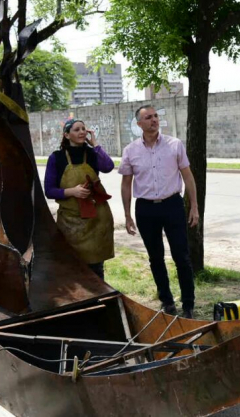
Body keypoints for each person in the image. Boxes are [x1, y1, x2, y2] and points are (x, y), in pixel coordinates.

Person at [119, 105, 199, 319]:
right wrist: (127, 215)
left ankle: (188, 304)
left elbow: (188, 176)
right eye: (148, 117)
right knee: (156, 258)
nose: (153, 120)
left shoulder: (175, 145)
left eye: (155, 116)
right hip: (145, 209)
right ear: (139, 124)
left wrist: (194, 207)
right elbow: (126, 184)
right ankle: (167, 301)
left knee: (181, 256)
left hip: (172, 205)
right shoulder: (130, 151)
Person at [44, 119, 115, 280]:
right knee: (72, 267)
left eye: (84, 129)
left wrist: (95, 145)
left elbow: (108, 167)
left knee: (96, 268)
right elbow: (49, 191)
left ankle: (99, 298)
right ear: (67, 135)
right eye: (77, 130)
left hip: (96, 220)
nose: (82, 132)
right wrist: (72, 191)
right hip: (70, 222)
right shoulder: (57, 158)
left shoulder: (91, 153)